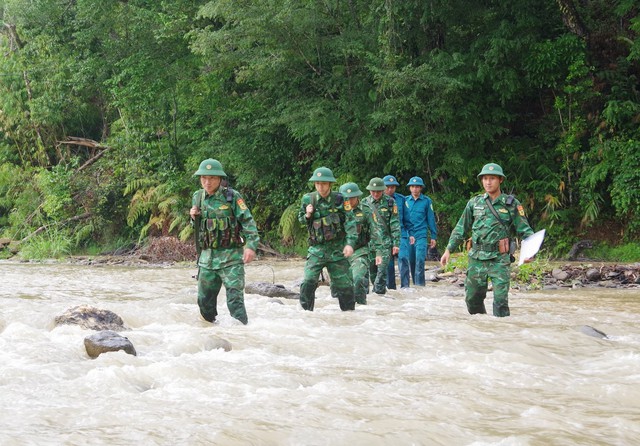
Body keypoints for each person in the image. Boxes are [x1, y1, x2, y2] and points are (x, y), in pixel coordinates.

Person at [440, 163, 535, 317]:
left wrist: (530, 252)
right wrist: (448, 249)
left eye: (492, 178)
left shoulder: (511, 204)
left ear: (500, 180)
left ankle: (500, 333)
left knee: (500, 301)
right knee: (472, 301)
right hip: (477, 258)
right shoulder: (474, 203)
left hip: (500, 259)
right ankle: (483, 329)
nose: (488, 182)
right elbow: (461, 228)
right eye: (485, 178)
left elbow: (525, 229)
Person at [190, 158, 259, 325]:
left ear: (220, 179)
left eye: (212, 178)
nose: (207, 182)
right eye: (204, 178)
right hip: (207, 259)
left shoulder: (232, 197)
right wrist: (193, 218)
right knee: (204, 302)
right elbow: (198, 226)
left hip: (231, 258)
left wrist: (251, 246)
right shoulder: (197, 197)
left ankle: (242, 336)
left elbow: (248, 222)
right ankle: (212, 332)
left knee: (235, 301)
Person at [298, 167, 358, 311]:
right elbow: (300, 219)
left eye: (324, 183)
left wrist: (349, 244)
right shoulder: (308, 199)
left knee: (346, 287)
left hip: (337, 251)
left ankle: (349, 317)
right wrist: (307, 215)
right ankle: (306, 315)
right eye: (317, 183)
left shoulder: (340, 199)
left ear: (330, 184)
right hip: (316, 250)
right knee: (308, 282)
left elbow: (350, 222)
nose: (320, 187)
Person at [339, 182, 384, 304]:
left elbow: (376, 232)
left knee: (358, 278)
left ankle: (361, 307)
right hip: (340, 252)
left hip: (360, 251)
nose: (349, 201)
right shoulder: (337, 210)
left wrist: (379, 252)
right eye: (346, 198)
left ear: (357, 197)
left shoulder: (366, 210)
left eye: (351, 198)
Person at [362, 177, 400, 295]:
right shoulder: (364, 203)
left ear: (383, 190)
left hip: (385, 244)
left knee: (381, 273)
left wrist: (396, 243)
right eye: (373, 191)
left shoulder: (390, 203)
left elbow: (395, 224)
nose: (375, 194)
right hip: (370, 245)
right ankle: (378, 301)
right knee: (372, 274)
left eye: (378, 191)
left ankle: (378, 296)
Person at [405, 176, 437, 286]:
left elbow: (431, 219)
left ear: (421, 188)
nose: (415, 189)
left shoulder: (426, 201)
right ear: (410, 188)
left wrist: (433, 236)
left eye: (417, 187)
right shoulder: (405, 201)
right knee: (412, 262)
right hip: (409, 236)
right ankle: (415, 287)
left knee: (420, 261)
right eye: (413, 187)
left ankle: (420, 286)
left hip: (421, 235)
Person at [382, 175, 413, 289]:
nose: (390, 189)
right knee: (388, 264)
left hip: (401, 234)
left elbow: (407, 218)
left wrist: (412, 234)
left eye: (393, 187)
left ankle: (405, 287)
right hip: (385, 236)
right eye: (388, 187)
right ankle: (391, 289)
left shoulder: (401, 199)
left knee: (404, 258)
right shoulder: (378, 201)